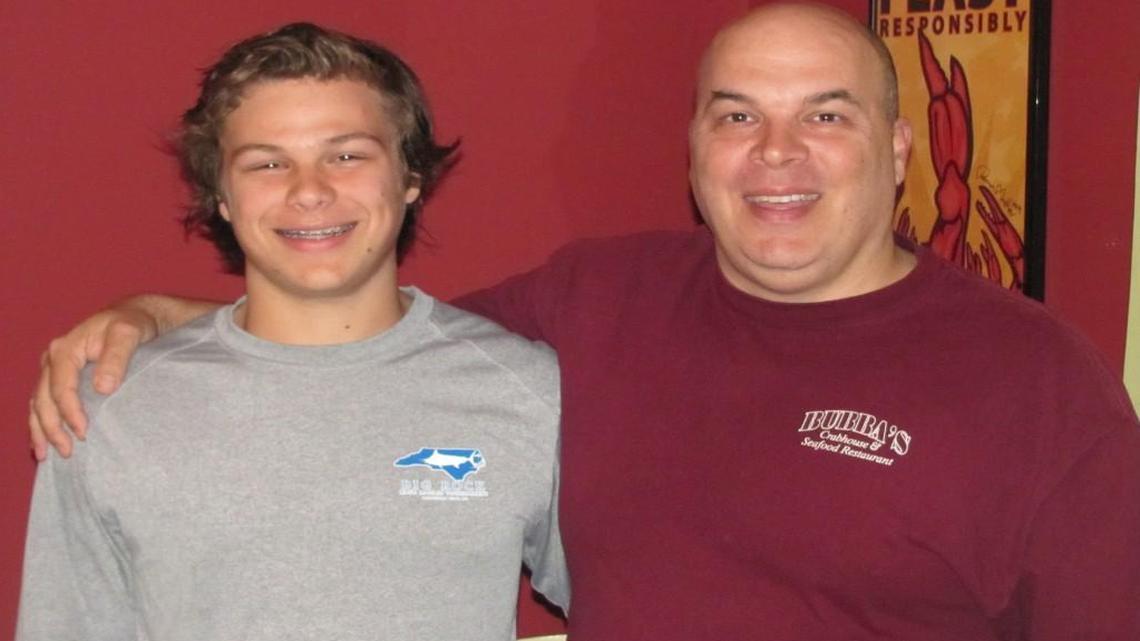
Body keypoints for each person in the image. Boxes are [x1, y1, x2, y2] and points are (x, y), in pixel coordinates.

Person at [28, 3, 1140, 640]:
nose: (776, 155)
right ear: (696, 146)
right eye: (737, 115)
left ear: (900, 151)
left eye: (828, 117)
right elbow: (356, 345)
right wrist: (165, 321)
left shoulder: (1034, 378)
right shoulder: (595, 305)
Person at [17, 23, 567, 641]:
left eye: (347, 155)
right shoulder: (111, 404)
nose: (309, 191)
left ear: (410, 178)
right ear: (221, 196)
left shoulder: (528, 392)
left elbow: (649, 600)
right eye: (268, 163)